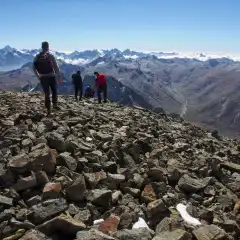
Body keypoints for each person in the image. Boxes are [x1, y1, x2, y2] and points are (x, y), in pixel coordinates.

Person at [33, 41, 62, 115]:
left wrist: (38, 76)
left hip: (43, 77)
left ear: (42, 47)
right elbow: (56, 67)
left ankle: (48, 110)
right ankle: (55, 105)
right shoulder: (50, 56)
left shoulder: (37, 56)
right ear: (48, 47)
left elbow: (33, 67)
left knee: (47, 93)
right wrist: (59, 76)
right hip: (51, 76)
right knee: (54, 91)